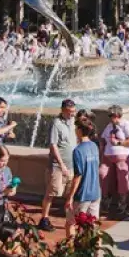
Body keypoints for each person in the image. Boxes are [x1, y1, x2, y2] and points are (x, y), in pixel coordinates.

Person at [39, 99, 77, 231]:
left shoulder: (73, 122)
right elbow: (53, 145)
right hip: (57, 166)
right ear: (62, 110)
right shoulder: (56, 124)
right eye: (69, 112)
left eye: (73, 111)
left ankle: (70, 220)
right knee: (51, 193)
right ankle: (44, 218)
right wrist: (61, 165)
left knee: (69, 193)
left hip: (71, 164)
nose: (72, 114)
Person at [64, 116, 102, 236]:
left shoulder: (78, 151)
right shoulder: (94, 146)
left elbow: (78, 175)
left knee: (71, 223)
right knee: (93, 226)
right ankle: (97, 254)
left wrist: (70, 197)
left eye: (76, 128)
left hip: (82, 194)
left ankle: (71, 251)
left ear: (79, 130)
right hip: (95, 192)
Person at [99, 106, 129, 218]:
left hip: (125, 156)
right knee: (102, 173)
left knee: (122, 171)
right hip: (108, 156)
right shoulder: (109, 126)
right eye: (110, 116)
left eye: (112, 116)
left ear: (118, 115)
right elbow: (103, 139)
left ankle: (122, 203)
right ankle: (105, 200)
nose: (111, 118)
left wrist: (119, 143)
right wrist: (102, 147)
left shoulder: (127, 125)